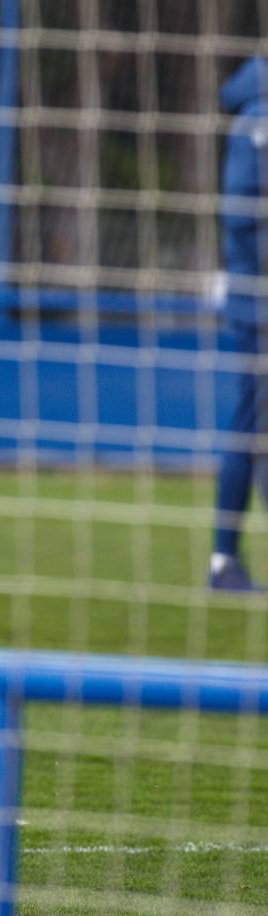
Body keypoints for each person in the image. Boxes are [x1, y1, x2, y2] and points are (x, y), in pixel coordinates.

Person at [211, 57, 268, 592]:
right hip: (260, 308)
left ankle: (224, 559)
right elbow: (240, 217)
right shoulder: (257, 121)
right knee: (253, 425)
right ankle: (223, 560)